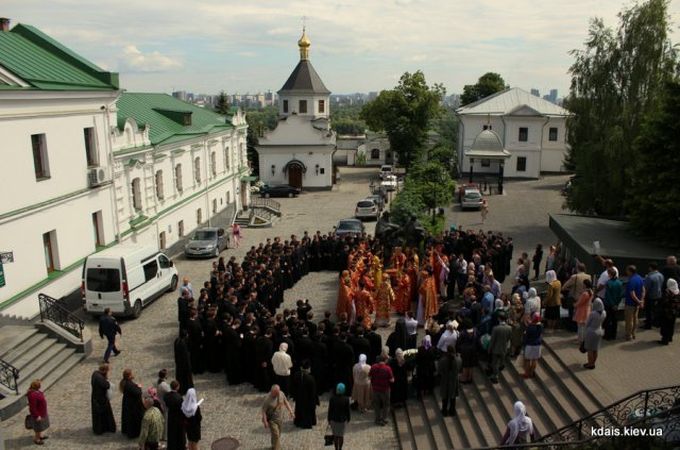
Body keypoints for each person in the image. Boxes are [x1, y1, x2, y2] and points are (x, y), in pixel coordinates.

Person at [261, 384, 294, 450]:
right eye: (276, 393)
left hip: (280, 418)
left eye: (278, 392)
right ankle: (277, 448)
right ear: (271, 391)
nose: (277, 394)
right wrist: (265, 422)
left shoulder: (281, 393)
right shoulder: (267, 400)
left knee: (277, 434)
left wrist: (291, 411)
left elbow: (286, 402)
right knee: (276, 434)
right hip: (272, 420)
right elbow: (263, 411)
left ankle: (274, 446)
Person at [291, 361, 319, 429]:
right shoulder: (310, 378)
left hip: (299, 397)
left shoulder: (296, 375)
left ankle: (298, 422)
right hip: (307, 399)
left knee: (299, 410)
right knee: (308, 412)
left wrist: (295, 396)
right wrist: (315, 401)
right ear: (308, 369)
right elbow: (313, 392)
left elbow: (293, 387)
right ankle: (308, 423)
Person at [91, 363, 116, 435]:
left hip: (96, 397)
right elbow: (106, 385)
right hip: (101, 399)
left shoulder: (95, 374)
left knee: (98, 414)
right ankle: (103, 428)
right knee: (103, 414)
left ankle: (99, 428)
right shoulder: (100, 379)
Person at [369, 355, 394, 426]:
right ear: (384, 360)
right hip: (385, 390)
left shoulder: (373, 367)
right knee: (386, 404)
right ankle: (384, 419)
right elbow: (392, 380)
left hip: (375, 390)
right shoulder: (388, 368)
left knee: (376, 405)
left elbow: (369, 377)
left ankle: (377, 419)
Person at [488, 312, 512, 383]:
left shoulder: (496, 328)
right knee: (501, 360)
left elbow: (492, 341)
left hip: (496, 348)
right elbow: (509, 338)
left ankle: (495, 376)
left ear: (499, 319)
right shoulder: (509, 328)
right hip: (504, 347)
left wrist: (489, 349)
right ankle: (501, 366)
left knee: (494, 363)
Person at [120, 368, 144, 439]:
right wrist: (139, 387)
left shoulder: (126, 383)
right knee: (133, 419)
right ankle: (133, 433)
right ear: (129, 376)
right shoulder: (129, 384)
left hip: (128, 402)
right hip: (133, 405)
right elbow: (138, 393)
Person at [583, 298, 606, 369]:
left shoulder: (593, 313)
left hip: (591, 331)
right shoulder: (604, 313)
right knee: (595, 349)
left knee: (590, 349)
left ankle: (590, 364)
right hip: (599, 330)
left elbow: (587, 323)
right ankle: (593, 363)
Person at [624, 265, 645, 340]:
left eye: (627, 270)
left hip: (630, 304)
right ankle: (634, 334)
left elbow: (632, 294)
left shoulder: (631, 280)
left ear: (630, 271)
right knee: (635, 318)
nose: (626, 272)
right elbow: (643, 290)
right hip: (637, 304)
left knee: (629, 320)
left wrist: (638, 301)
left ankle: (628, 335)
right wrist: (641, 301)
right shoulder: (640, 278)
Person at [163, 380, 186, 450]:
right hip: (178, 417)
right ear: (177, 387)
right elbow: (182, 408)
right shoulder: (179, 397)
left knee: (171, 432)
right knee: (179, 433)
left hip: (171, 416)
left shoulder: (166, 396)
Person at [328, 383, 351, 450]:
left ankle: (336, 448)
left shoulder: (332, 399)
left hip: (334, 420)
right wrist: (348, 418)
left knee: (335, 436)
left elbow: (330, 410)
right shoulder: (346, 399)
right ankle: (340, 448)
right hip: (342, 420)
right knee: (341, 436)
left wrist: (329, 419)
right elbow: (347, 411)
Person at [438, 345, 459, 416]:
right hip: (453, 380)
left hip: (445, 380)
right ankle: (452, 410)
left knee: (445, 396)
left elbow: (439, 370)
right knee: (453, 396)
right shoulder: (457, 360)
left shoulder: (443, 360)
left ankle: (444, 411)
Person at [603, 268, 623, 340]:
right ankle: (613, 335)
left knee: (608, 320)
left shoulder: (608, 283)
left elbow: (608, 295)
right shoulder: (620, 283)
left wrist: (612, 304)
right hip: (616, 304)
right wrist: (616, 304)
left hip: (609, 304)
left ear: (610, 275)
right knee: (614, 320)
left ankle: (607, 335)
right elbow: (621, 295)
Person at [26, 380, 49, 445]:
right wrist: (37, 416)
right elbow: (32, 408)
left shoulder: (37, 391)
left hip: (42, 412)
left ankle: (40, 436)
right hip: (38, 414)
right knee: (38, 427)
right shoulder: (32, 395)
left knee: (41, 426)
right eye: (39, 385)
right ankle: (37, 439)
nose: (40, 386)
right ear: (36, 386)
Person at [659, 279, 680, 345]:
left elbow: (664, 301)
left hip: (667, 312)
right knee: (671, 325)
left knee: (665, 325)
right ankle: (670, 337)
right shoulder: (678, 291)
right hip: (675, 311)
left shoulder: (667, 291)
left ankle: (665, 340)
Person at [643, 262, 664, 329]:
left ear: (650, 268)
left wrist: (643, 297)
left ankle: (648, 325)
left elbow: (646, 288)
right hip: (659, 295)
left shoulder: (650, 277)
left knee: (648, 311)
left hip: (650, 296)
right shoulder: (661, 275)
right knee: (656, 310)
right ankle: (656, 323)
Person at [573, 279, 593, 344]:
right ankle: (584, 339)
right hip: (587, 309)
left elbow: (580, 302)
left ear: (585, 285)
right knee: (585, 326)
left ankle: (580, 340)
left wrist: (574, 305)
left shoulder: (585, 294)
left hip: (581, 310)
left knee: (580, 326)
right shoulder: (591, 292)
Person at [522, 313, 542, 379]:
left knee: (528, 360)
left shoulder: (529, 327)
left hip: (530, 344)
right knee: (534, 359)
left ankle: (527, 373)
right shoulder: (540, 326)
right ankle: (532, 372)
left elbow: (526, 335)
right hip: (537, 344)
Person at [155, 369, 171, 441]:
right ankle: (165, 436)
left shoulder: (158, 382)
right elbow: (170, 392)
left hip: (160, 402)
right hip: (164, 404)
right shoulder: (164, 385)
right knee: (165, 421)